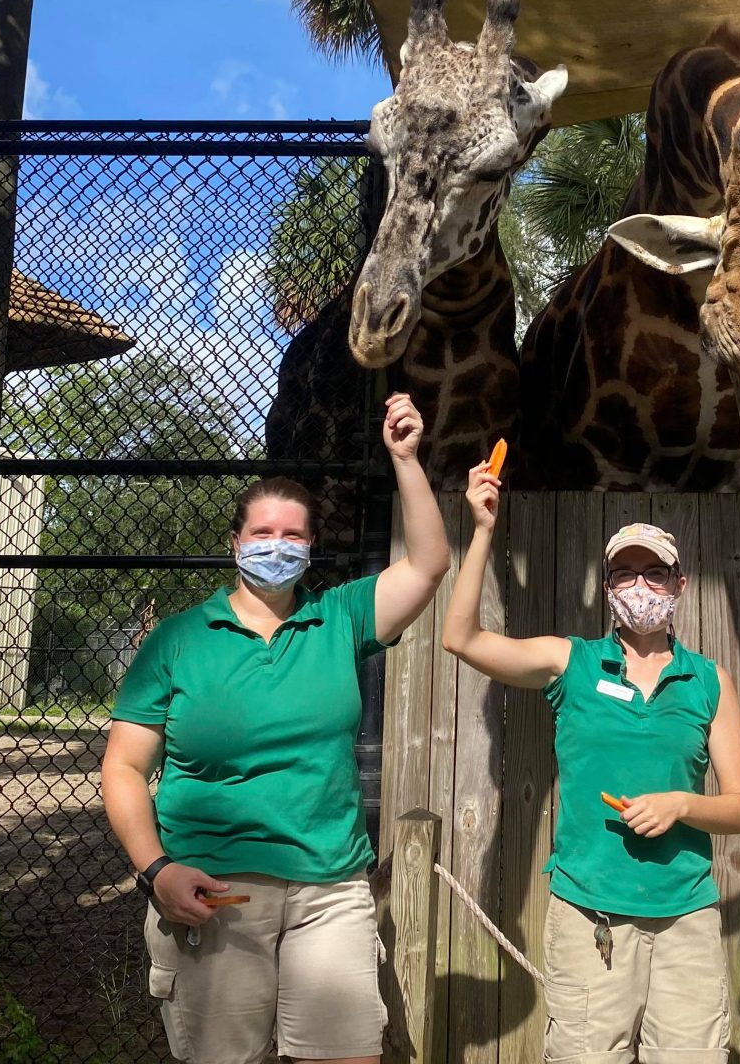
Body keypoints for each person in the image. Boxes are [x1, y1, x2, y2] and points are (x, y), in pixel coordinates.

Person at [100, 392, 449, 1064]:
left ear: (311, 548)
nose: (276, 546)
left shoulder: (340, 617)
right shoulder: (179, 641)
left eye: (292, 535)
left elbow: (429, 564)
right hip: (214, 890)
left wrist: (406, 459)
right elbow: (122, 767)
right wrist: (155, 869)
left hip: (331, 887)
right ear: (235, 542)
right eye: (262, 533)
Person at [442, 460, 740, 1064]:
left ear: (680, 585)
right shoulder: (572, 662)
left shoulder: (710, 682)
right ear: (608, 586)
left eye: (655, 573)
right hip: (592, 915)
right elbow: (461, 639)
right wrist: (482, 530)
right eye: (624, 573)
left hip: (684, 916)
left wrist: (683, 805)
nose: (640, 585)